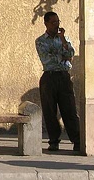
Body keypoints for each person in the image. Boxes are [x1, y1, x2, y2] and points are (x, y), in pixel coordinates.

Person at [35, 11, 81, 152]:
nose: (56, 25)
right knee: (50, 110)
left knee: (69, 109)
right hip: (49, 77)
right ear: (46, 23)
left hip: (63, 76)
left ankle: (77, 140)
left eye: (58, 22)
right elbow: (46, 58)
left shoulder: (64, 39)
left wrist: (62, 42)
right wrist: (63, 57)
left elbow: (71, 53)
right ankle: (54, 140)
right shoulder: (41, 41)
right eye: (53, 22)